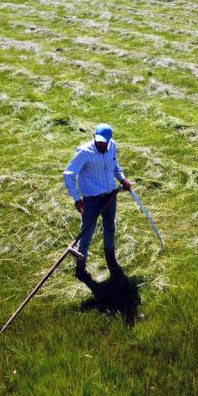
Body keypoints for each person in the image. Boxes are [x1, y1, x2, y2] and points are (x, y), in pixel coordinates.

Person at [63, 124, 132, 289]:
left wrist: (122, 179)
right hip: (91, 201)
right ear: (93, 136)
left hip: (110, 196)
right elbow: (68, 174)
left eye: (104, 142)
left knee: (110, 228)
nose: (101, 145)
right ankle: (80, 267)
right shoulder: (85, 152)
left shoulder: (112, 146)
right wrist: (76, 199)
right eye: (98, 141)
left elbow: (115, 166)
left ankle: (110, 258)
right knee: (86, 235)